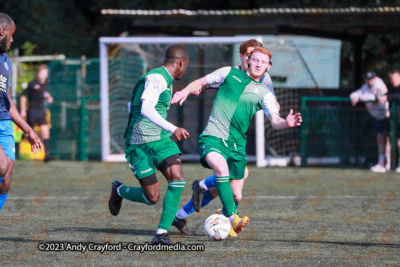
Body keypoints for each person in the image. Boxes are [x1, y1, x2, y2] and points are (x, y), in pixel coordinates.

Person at [171, 47, 302, 236]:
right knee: (222, 169)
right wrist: (184, 91)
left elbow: (275, 120)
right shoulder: (228, 73)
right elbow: (201, 81)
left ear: (268, 67)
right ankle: (232, 218)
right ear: (248, 60)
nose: (258, 64)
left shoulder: (265, 92)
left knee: (236, 195)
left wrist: (286, 123)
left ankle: (190, 214)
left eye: (263, 62)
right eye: (255, 60)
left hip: (237, 146)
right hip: (214, 137)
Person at [108, 44, 191, 245]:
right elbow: (145, 108)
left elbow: (132, 105)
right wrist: (173, 128)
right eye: (186, 66)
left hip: (161, 141)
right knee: (151, 197)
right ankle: (119, 190)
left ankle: (161, 233)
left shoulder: (165, 79)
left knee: (177, 177)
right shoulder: (157, 78)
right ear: (181, 62)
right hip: (139, 145)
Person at [0, 13, 42, 210]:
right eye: (11, 35)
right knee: (1, 166)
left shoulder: (6, 62)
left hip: (6, 124)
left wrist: (28, 130)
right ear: (2, 32)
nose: (12, 40)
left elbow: (8, 101)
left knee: (5, 182)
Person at [350, 71, 390, 173]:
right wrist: (355, 96)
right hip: (378, 117)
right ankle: (382, 163)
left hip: (386, 115)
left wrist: (361, 97)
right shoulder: (366, 86)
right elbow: (357, 93)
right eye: (368, 79)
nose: (370, 81)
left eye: (371, 79)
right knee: (380, 139)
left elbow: (375, 97)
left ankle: (388, 163)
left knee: (388, 140)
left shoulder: (379, 84)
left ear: (375, 78)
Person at [20, 64, 54, 162]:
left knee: (45, 131)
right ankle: (19, 151)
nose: (42, 75)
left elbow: (43, 92)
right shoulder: (32, 84)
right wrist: (23, 110)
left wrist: (49, 97)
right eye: (41, 73)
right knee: (28, 132)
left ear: (47, 74)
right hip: (32, 111)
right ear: (38, 73)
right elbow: (23, 96)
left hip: (41, 111)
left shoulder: (46, 84)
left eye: (44, 73)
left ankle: (46, 155)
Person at [386, 69, 400, 172]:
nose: (393, 80)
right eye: (391, 78)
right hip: (394, 121)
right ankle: (387, 164)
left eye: (395, 78)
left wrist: (388, 97)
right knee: (390, 142)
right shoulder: (391, 89)